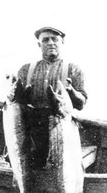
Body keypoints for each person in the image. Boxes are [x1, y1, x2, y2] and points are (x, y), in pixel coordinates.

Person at [17, 26, 87, 169]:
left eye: (54, 39)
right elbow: (18, 102)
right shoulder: (26, 70)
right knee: (31, 170)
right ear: (39, 44)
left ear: (62, 42)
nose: (50, 43)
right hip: (33, 130)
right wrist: (21, 94)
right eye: (45, 40)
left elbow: (81, 103)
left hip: (61, 126)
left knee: (62, 169)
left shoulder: (73, 69)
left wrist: (72, 92)